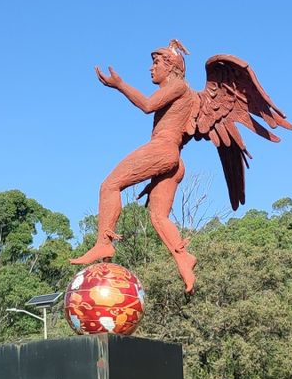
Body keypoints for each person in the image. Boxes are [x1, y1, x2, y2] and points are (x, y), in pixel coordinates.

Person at [72, 40, 200, 292]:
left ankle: (104, 241)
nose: (151, 69)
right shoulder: (188, 94)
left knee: (110, 185)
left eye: (156, 63)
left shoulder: (178, 85)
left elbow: (147, 105)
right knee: (158, 216)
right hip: (175, 160)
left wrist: (119, 85)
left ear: (170, 67)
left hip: (162, 150)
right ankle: (184, 259)